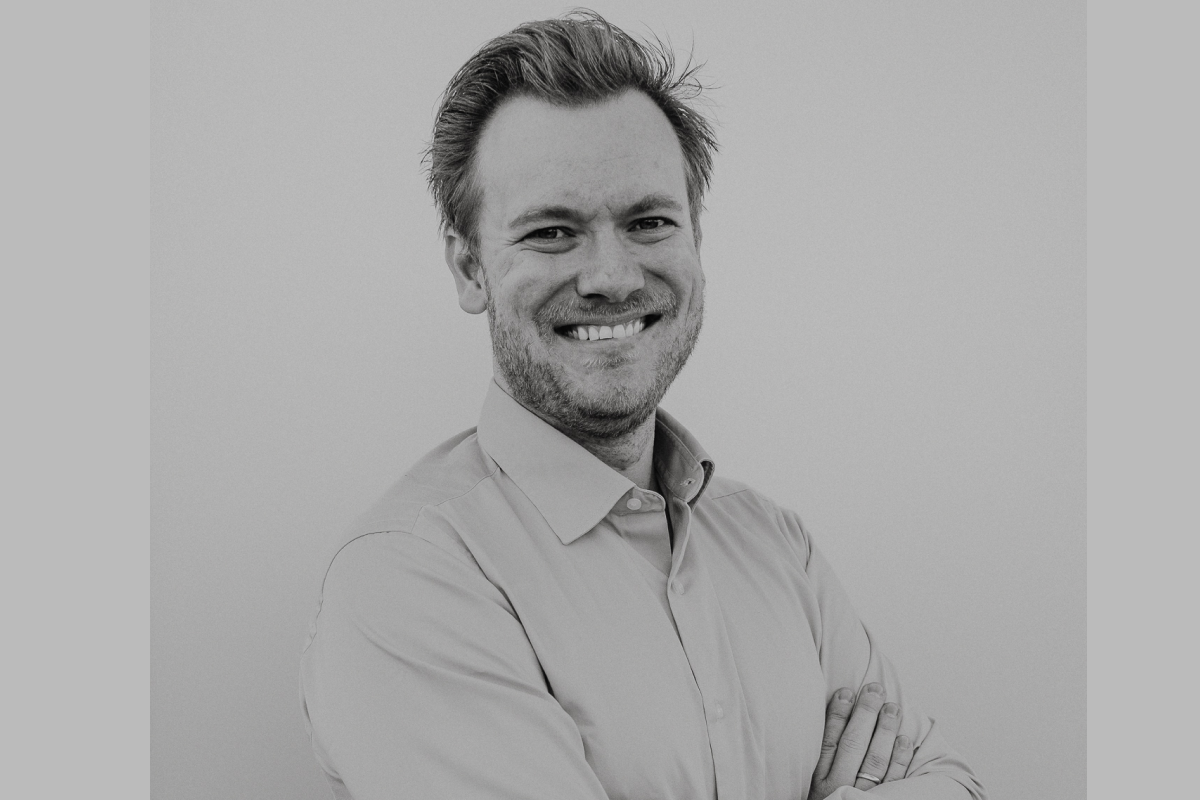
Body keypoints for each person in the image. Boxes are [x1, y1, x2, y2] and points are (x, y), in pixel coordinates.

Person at [299, 11, 986, 800]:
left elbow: (952, 782)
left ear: (696, 240)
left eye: (649, 222)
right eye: (552, 232)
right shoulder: (409, 577)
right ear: (469, 268)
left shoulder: (775, 544)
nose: (613, 277)